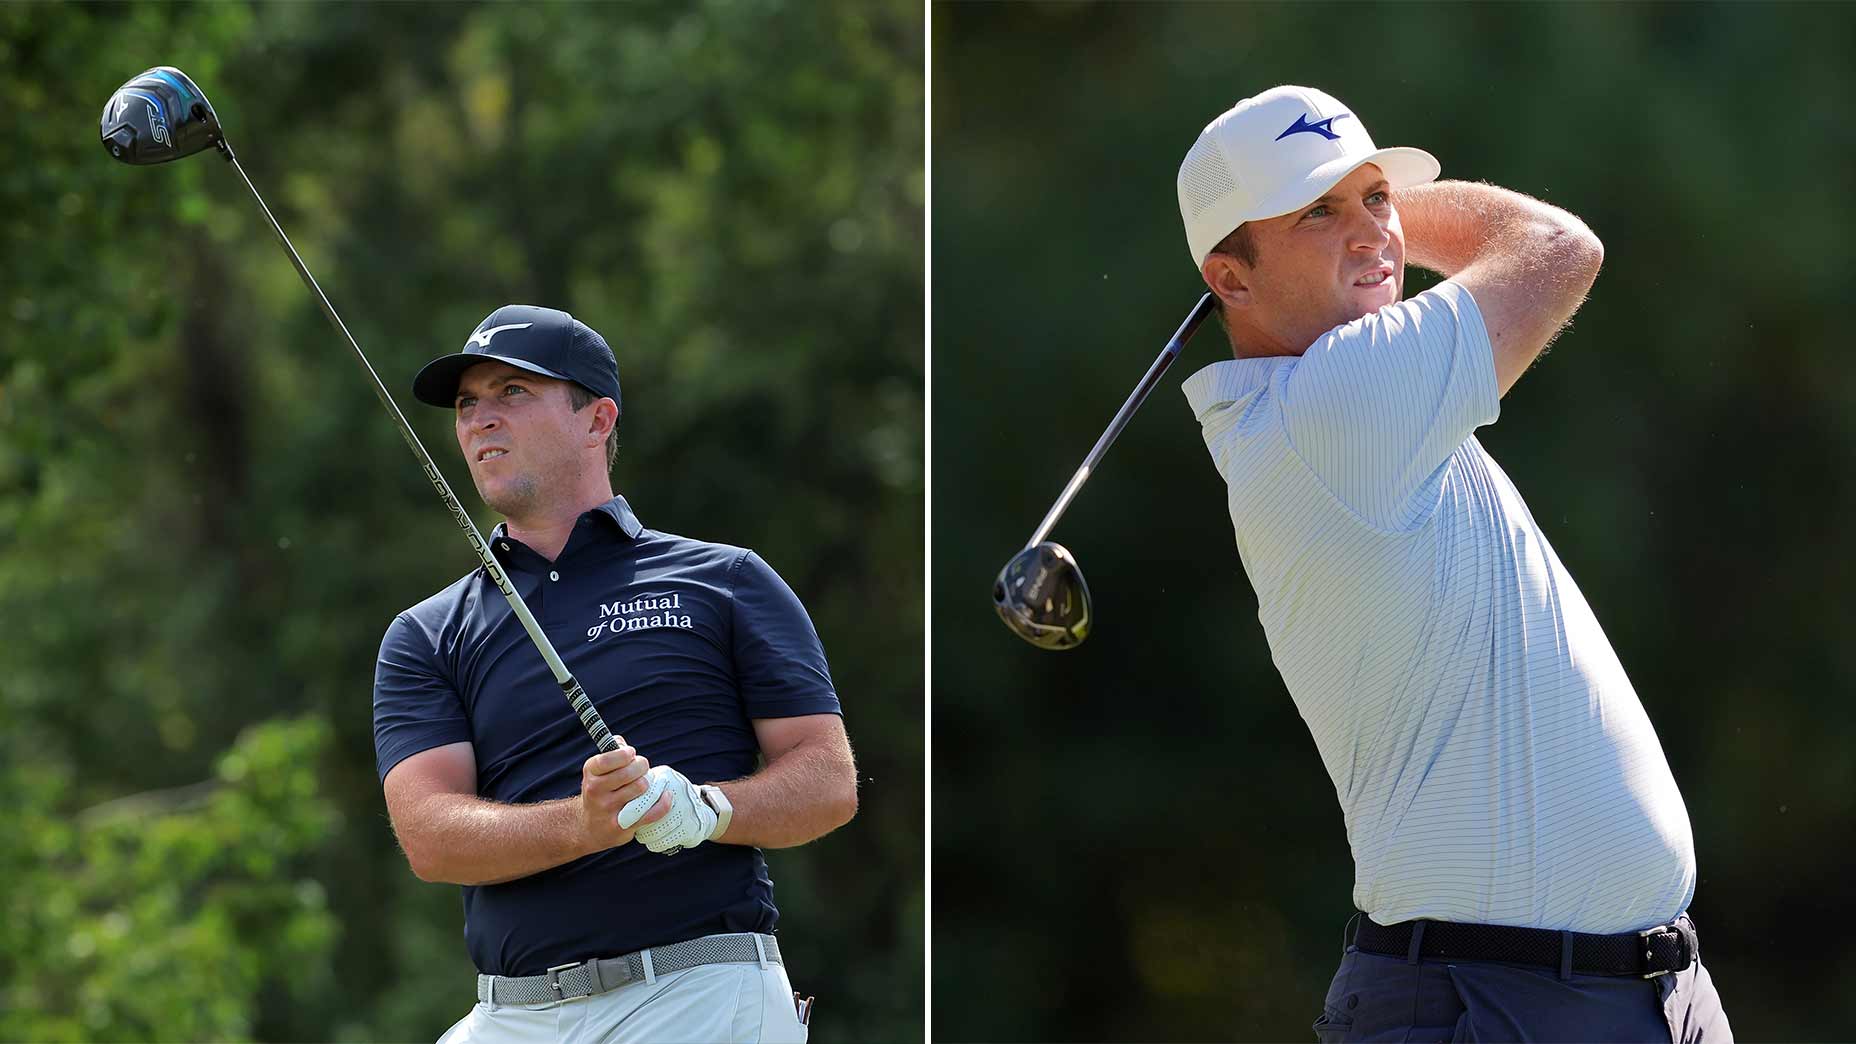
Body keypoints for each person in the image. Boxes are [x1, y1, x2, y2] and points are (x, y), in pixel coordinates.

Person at [1174, 86, 1730, 1040]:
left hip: (1630, 989)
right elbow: (1557, 247)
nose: (1370, 236)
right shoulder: (1339, 404)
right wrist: (1386, 215)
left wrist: (1353, 215)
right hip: (1497, 1001)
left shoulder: (1335, 401)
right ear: (1230, 280)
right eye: (1317, 212)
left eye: (1376, 200)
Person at [372, 304, 856, 1044]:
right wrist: (585, 823)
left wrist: (706, 810)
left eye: (513, 393)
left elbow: (827, 781)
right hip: (511, 1016)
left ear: (597, 420)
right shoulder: (427, 633)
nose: (480, 420)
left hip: (697, 993)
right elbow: (431, 837)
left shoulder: (725, 581)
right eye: (469, 403)